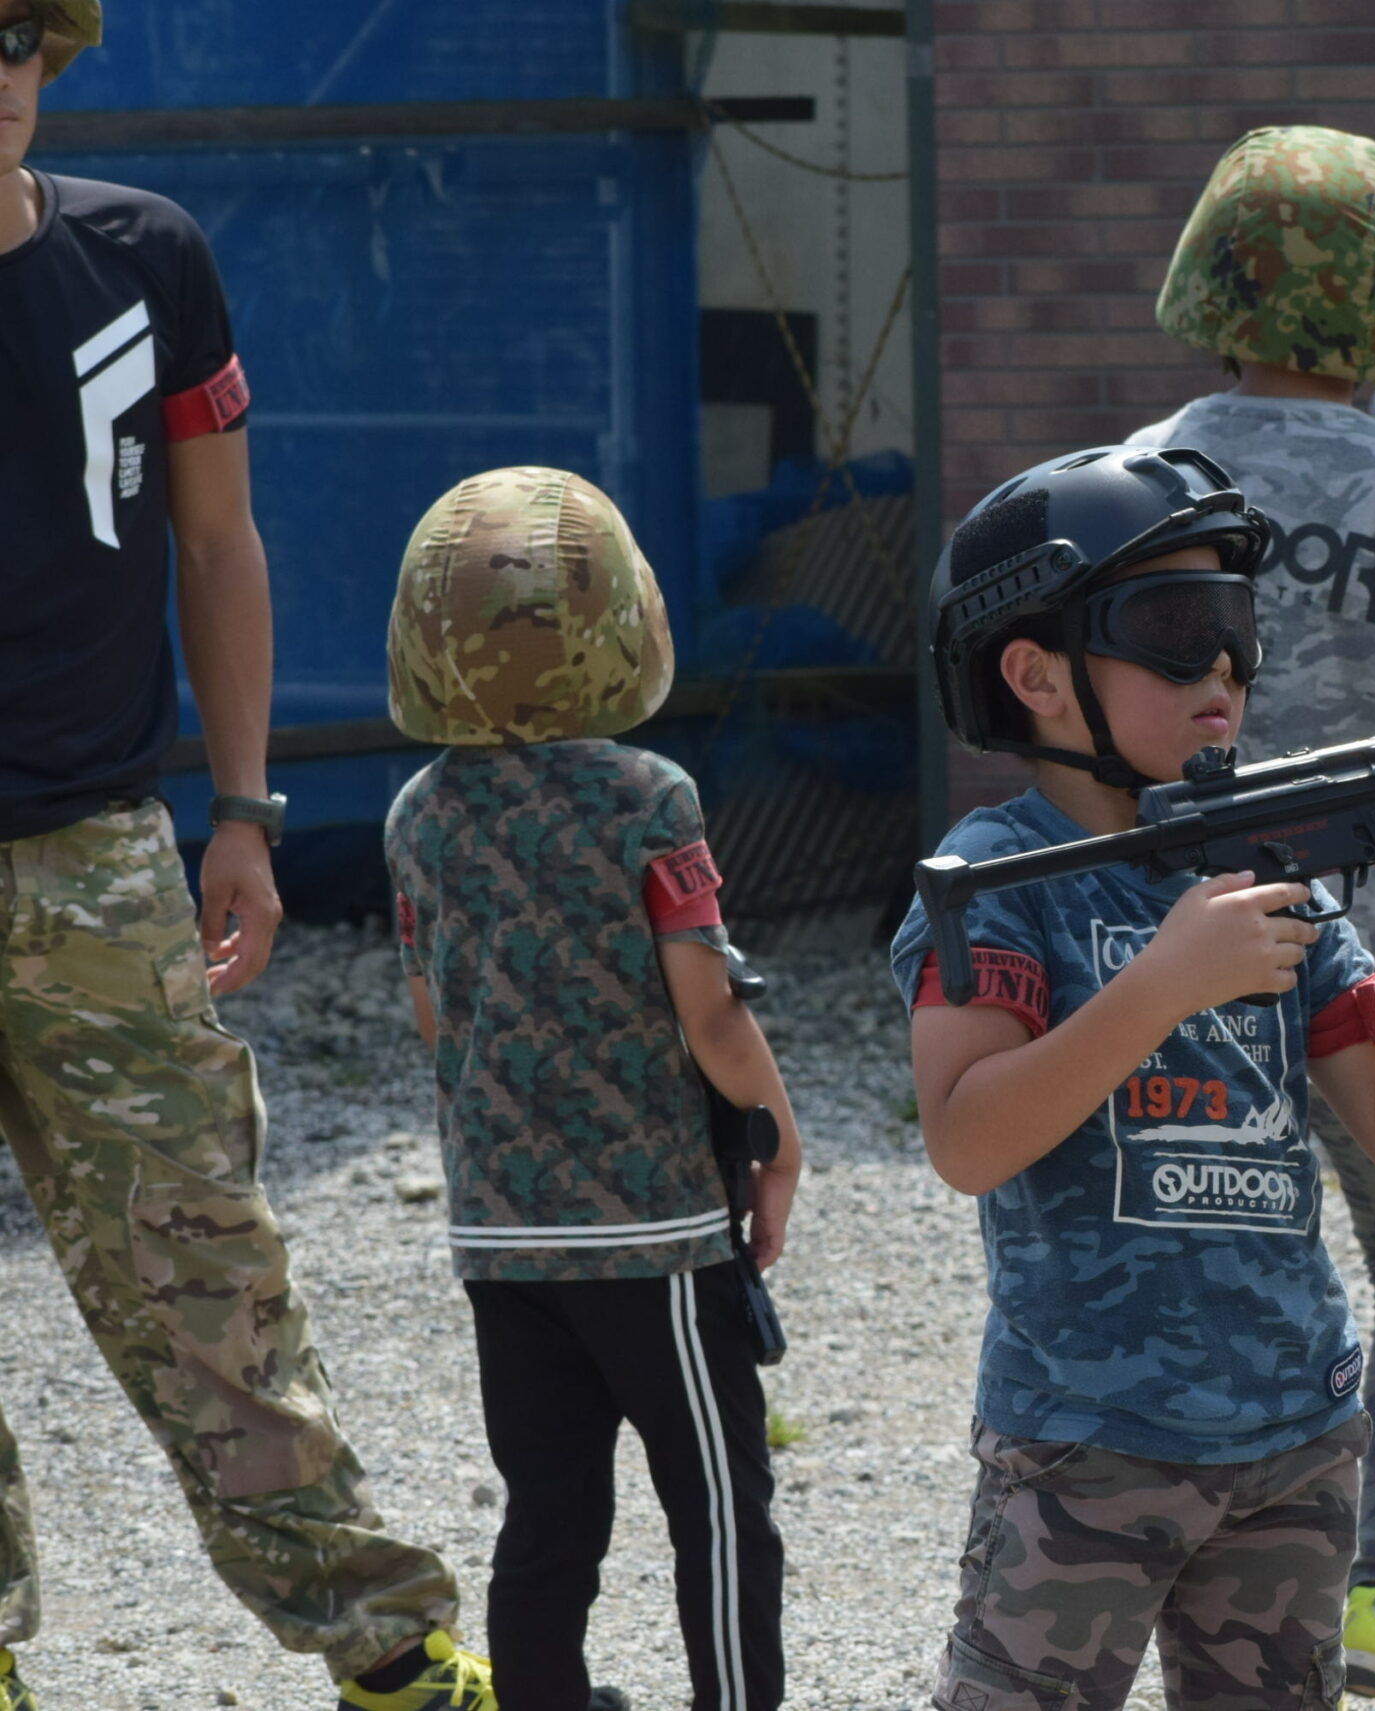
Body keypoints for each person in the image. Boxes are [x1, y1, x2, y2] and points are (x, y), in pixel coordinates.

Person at [0, 5, 491, 1706]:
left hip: (100, 855)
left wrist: (244, 809)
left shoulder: (146, 260)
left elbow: (218, 544)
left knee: (207, 1270)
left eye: (12, 33)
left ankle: (388, 1647)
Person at [893, 445, 1375, 1711]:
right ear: (1035, 676)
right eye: (1176, 630)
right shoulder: (994, 876)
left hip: (1296, 1441)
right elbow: (966, 1139)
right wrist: (1163, 983)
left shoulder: (1269, 864)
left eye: (1237, 631)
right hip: (1084, 1442)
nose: (1222, 669)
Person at [1132, 125, 1375, 1711]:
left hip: (1165, 954)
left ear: (1206, 277)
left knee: (1183, 1256)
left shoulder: (1138, 477)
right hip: (1370, 965)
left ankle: (1154, 1574)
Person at [384, 468, 800, 1711]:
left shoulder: (416, 815)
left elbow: (433, 1015)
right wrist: (776, 1141)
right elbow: (707, 1006)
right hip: (650, 1228)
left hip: (499, 1233)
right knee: (717, 1501)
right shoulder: (647, 796)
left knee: (549, 1512)